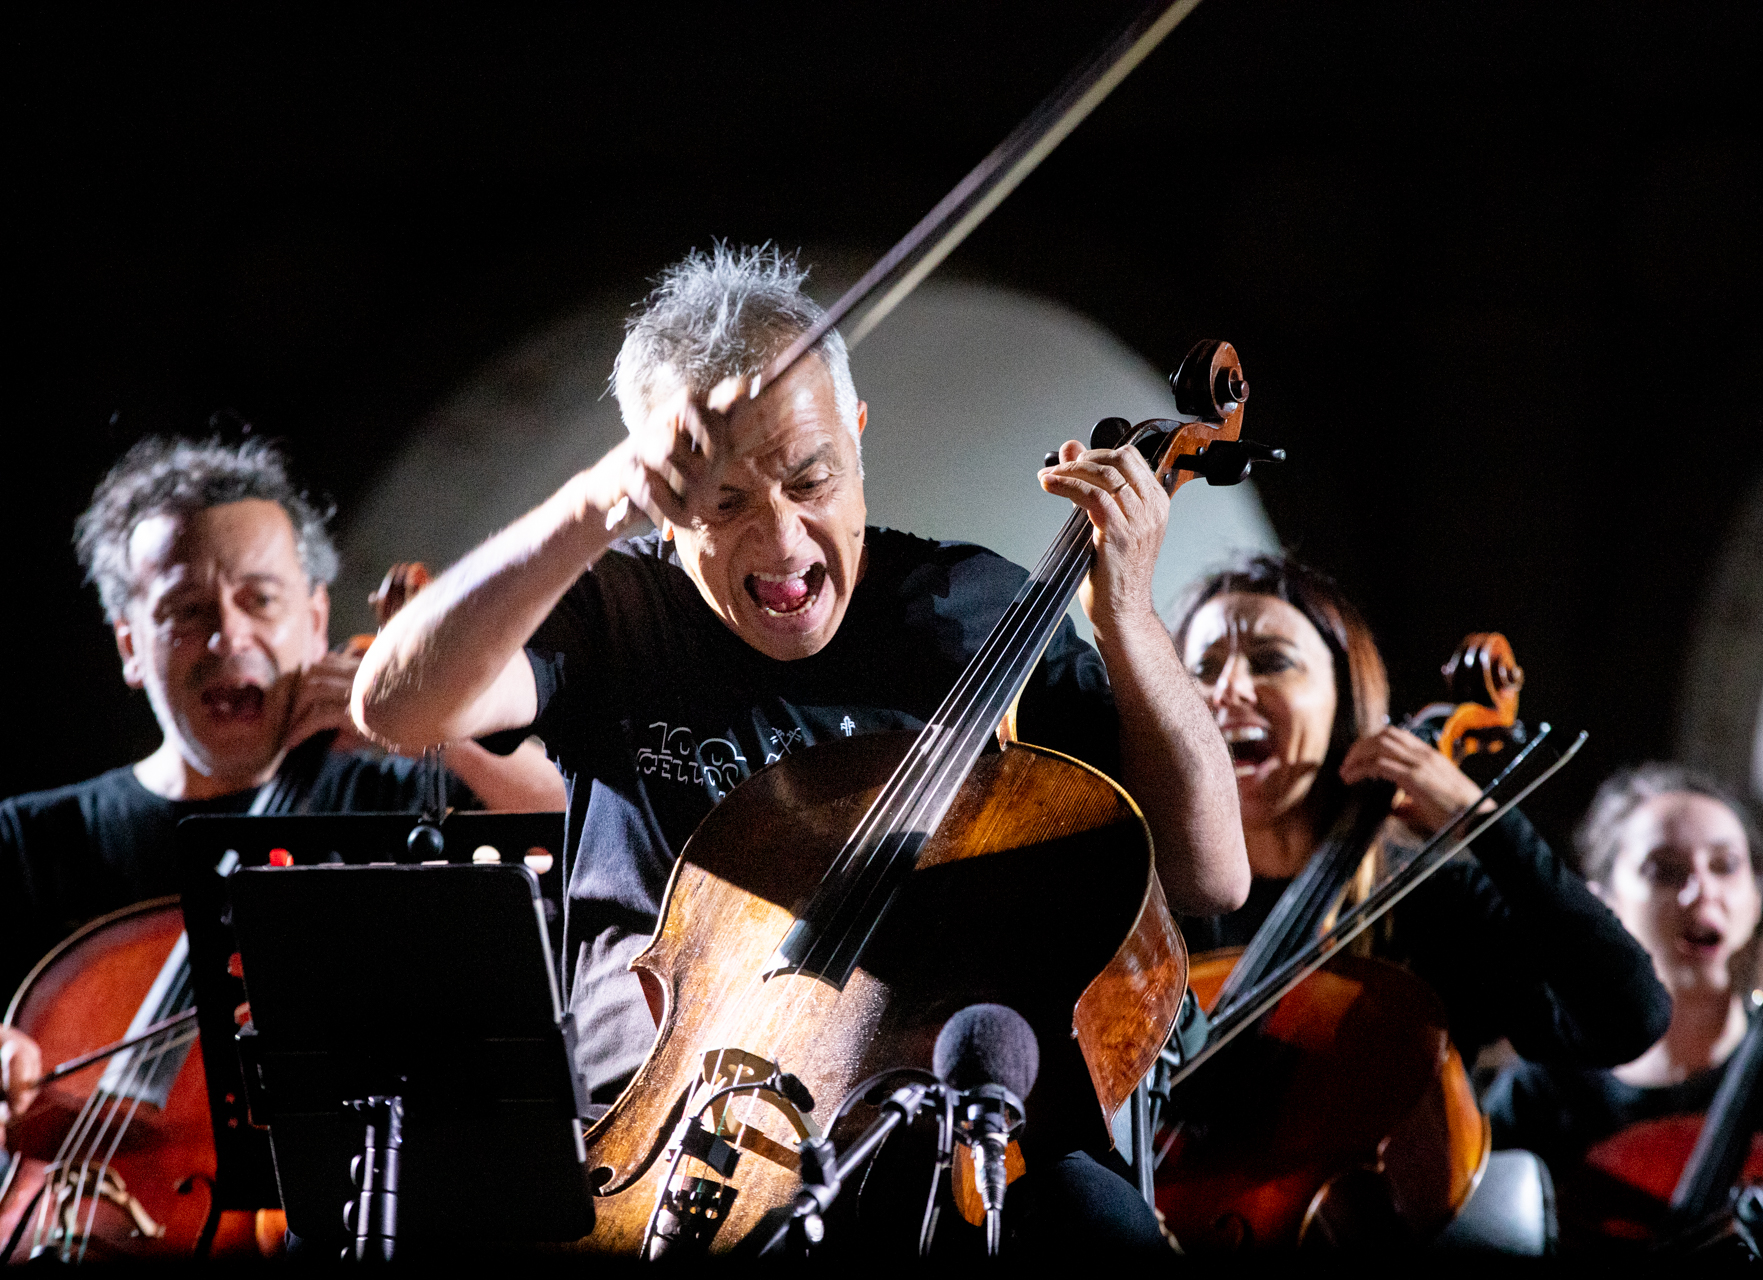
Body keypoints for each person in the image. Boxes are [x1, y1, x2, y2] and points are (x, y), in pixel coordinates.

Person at [351, 242, 1247, 1251]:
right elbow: (397, 709)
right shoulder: (616, 610)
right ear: (664, 490)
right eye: (725, 502)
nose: (781, 541)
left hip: (921, 1143)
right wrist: (592, 506)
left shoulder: (976, 609)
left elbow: (1211, 870)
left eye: (811, 478)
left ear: (858, 437)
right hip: (655, 1148)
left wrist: (1127, 612)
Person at [0, 434, 566, 1150]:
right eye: (185, 611)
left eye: (259, 599)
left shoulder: (398, 796)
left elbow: (573, 823)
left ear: (316, 619)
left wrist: (426, 718)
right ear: (129, 648)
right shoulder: (30, 842)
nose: (226, 636)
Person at [1170, 551, 1671, 1074]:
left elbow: (1631, 1018)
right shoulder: (1156, 905)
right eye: (1202, 668)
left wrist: (1475, 816)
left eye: (1272, 661)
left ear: (1344, 700)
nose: (1227, 690)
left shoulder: (1433, 902)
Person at [1481, 763, 1763, 1181]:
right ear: (1600, 905)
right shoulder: (1541, 1093)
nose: (1703, 890)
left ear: (1754, 896)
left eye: (1725, 865)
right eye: (1665, 871)